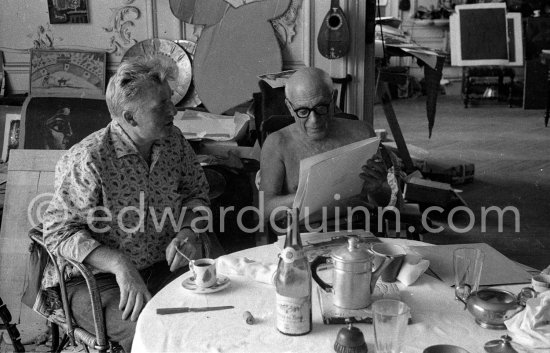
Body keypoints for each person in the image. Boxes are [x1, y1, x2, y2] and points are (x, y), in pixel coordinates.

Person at [41, 57, 217, 352]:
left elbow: (196, 194)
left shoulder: (173, 141)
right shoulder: (90, 159)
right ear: (130, 118)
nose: (173, 110)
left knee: (217, 310)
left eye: (169, 100)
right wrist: (119, 264)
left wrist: (187, 231)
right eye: (161, 106)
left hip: (161, 264)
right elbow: (57, 232)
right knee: (154, 332)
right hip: (94, 279)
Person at [260, 67, 394, 224]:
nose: (314, 120)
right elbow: (266, 210)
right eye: (303, 111)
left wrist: (378, 188)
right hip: (303, 234)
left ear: (334, 99)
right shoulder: (278, 143)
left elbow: (383, 201)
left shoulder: (362, 133)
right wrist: (311, 195)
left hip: (357, 228)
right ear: (290, 107)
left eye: (321, 107)